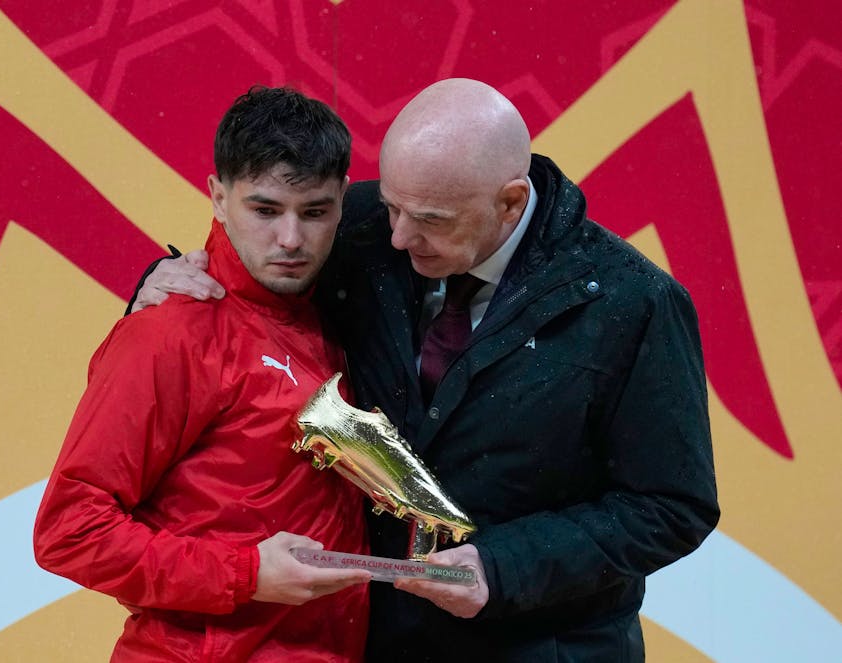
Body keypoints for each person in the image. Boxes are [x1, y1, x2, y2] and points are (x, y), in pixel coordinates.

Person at [129, 78, 720, 661]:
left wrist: (504, 566)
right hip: (380, 640)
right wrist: (161, 280)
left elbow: (671, 506)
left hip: (543, 643)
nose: (399, 235)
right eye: (391, 206)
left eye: (431, 220)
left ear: (510, 201)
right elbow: (256, 264)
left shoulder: (633, 303)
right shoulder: (365, 227)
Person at [34, 86, 374, 663]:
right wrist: (243, 574)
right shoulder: (171, 333)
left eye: (314, 212)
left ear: (343, 200)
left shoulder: (345, 306)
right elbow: (69, 531)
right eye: (263, 210)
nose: (291, 239)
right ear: (217, 196)